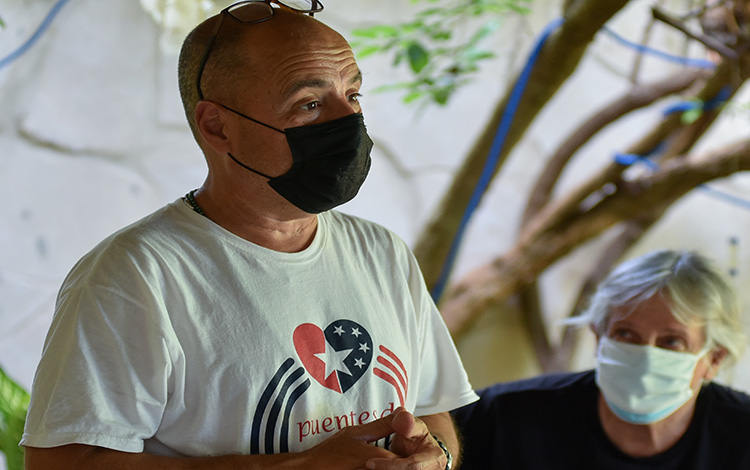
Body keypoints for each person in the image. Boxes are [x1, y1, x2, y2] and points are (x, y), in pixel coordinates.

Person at [21, 2, 477, 469]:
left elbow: (429, 412)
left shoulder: (382, 253)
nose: (349, 122)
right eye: (311, 104)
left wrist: (434, 458)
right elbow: (62, 463)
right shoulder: (136, 275)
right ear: (217, 126)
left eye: (354, 94)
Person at [452, 249, 750, 469]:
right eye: (626, 335)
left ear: (713, 359)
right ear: (598, 337)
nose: (645, 355)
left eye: (672, 342)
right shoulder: (504, 419)